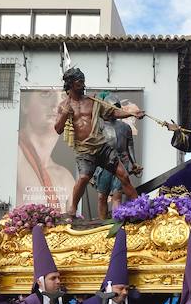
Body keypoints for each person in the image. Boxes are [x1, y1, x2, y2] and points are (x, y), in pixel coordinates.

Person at [54, 68, 144, 219]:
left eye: (83, 81)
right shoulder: (64, 106)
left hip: (102, 146)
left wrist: (132, 113)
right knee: (83, 178)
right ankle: (72, 210)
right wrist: (64, 114)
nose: (83, 85)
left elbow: (112, 112)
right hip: (84, 150)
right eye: (79, 82)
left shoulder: (92, 101)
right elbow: (58, 129)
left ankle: (140, 206)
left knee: (124, 175)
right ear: (70, 84)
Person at [18, 89, 76, 214]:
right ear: (24, 104)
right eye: (46, 94)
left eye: (64, 96)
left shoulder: (66, 178)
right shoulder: (13, 157)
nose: (57, 103)